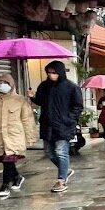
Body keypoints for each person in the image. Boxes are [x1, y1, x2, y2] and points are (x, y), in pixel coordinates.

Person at [33, 60, 83, 193]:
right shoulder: (44, 86)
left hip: (64, 126)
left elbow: (77, 106)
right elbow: (40, 101)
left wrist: (69, 119)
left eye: (54, 73)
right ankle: (65, 170)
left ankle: (61, 180)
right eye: (49, 73)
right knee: (49, 153)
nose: (51, 75)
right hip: (47, 125)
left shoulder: (71, 87)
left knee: (61, 152)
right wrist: (32, 97)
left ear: (60, 72)